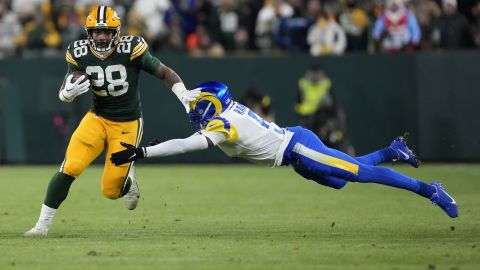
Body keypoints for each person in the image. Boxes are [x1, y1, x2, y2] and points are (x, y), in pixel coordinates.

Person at [111, 81, 458, 219]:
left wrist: (142, 153)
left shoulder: (221, 125)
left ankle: (430, 190)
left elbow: (188, 145)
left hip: (297, 147)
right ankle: (390, 151)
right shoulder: (222, 110)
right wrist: (179, 91)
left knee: (356, 173)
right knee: (341, 180)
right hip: (292, 150)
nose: (194, 116)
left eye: (196, 112)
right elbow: (188, 96)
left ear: (208, 110)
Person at [24, 5, 200, 237]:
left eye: (107, 31)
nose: (102, 36)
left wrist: (184, 96)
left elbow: (164, 72)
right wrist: (66, 93)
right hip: (96, 118)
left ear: (117, 32)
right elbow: (66, 88)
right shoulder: (78, 51)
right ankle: (42, 225)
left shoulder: (132, 48)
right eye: (97, 31)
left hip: (127, 123)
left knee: (110, 190)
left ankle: (129, 180)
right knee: (71, 166)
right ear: (89, 32)